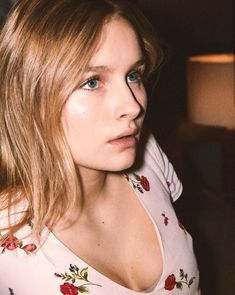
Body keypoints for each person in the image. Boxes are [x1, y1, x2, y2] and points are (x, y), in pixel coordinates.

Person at [0, 0, 200, 294]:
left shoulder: (149, 157)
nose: (132, 106)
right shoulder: (7, 242)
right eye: (92, 82)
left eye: (134, 75)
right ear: (30, 96)